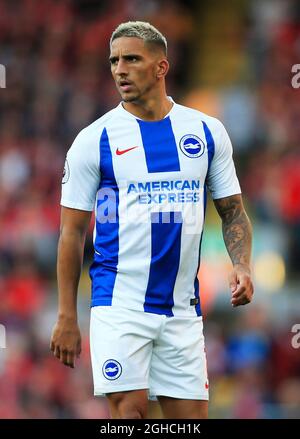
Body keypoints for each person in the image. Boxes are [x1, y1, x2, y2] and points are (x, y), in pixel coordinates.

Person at [50, 21, 254, 419]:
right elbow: (71, 234)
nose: (119, 69)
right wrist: (66, 316)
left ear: (161, 67)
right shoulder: (95, 140)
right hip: (119, 304)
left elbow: (233, 212)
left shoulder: (207, 132)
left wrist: (242, 264)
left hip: (182, 309)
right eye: (113, 61)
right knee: (131, 413)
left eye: (131, 59)